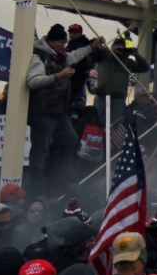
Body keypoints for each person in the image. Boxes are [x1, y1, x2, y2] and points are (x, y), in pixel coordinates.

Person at [26, 25, 101, 195]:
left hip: (59, 112)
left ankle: (59, 179)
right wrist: (58, 76)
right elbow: (32, 81)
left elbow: (76, 54)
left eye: (64, 42)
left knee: (70, 140)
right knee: (40, 150)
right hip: (42, 112)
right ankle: (37, 189)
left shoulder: (61, 57)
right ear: (51, 42)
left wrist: (92, 46)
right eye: (60, 42)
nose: (63, 45)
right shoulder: (39, 57)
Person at [91, 38, 149, 133]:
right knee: (98, 124)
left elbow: (144, 68)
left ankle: (111, 146)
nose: (119, 50)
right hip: (102, 96)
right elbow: (94, 51)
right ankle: (98, 144)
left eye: (122, 48)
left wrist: (137, 56)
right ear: (112, 47)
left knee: (115, 125)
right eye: (117, 47)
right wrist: (108, 50)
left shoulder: (127, 62)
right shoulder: (104, 56)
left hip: (119, 99)